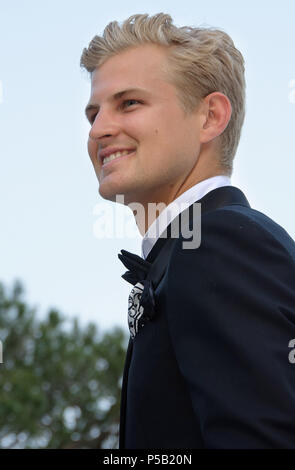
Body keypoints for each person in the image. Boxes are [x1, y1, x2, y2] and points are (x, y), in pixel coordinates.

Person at [80, 13, 295, 449]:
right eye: (93, 112)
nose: (99, 129)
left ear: (210, 117)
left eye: (129, 103)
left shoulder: (217, 243)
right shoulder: (194, 248)